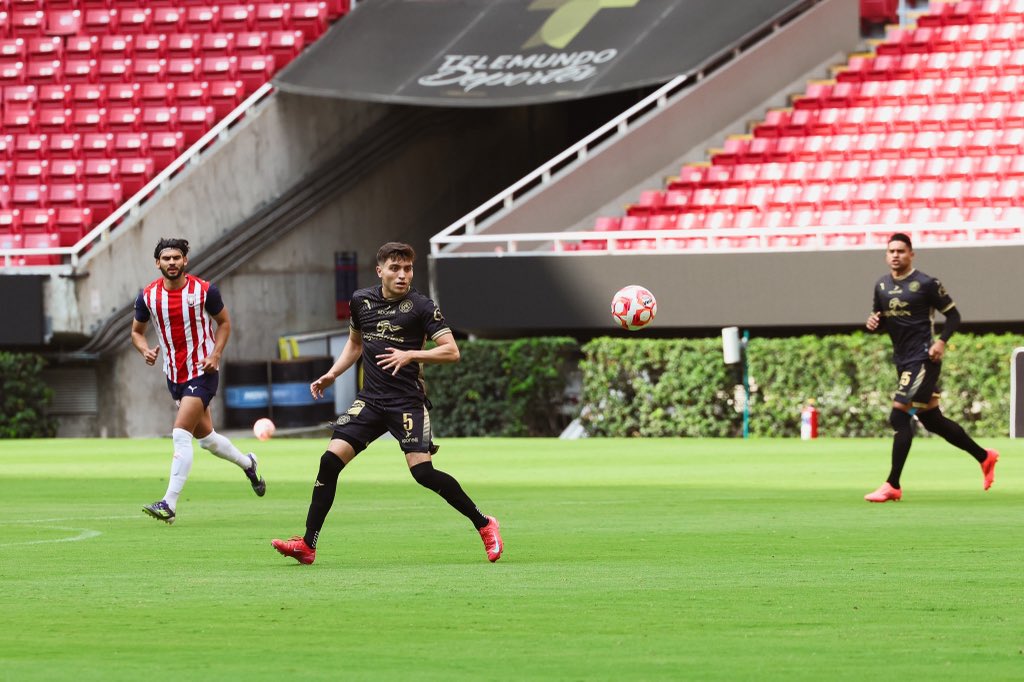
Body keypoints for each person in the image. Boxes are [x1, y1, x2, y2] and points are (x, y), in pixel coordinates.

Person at [271, 241, 502, 564]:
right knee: (329, 462)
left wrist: (412, 354)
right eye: (395, 268)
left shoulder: (421, 307)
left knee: (423, 474)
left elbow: (452, 351)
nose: (402, 275)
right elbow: (355, 343)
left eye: (407, 269)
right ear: (380, 271)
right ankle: (308, 545)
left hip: (406, 402)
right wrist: (332, 374)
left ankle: (484, 523)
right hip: (370, 401)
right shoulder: (361, 301)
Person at [131, 237, 266, 524]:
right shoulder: (148, 296)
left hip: (203, 371)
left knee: (180, 433)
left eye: (176, 258)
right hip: (174, 375)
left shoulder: (204, 291)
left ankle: (169, 503)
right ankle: (248, 464)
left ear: (185, 261)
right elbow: (137, 332)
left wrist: (215, 355)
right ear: (158, 263)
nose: (172, 263)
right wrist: (145, 349)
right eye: (166, 258)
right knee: (207, 440)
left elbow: (225, 323)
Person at [863, 232, 998, 502]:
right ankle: (985, 457)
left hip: (924, 359)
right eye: (891, 251)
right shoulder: (881, 286)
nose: (895, 255)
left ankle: (892, 485)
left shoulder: (926, 283)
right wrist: (873, 324)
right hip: (903, 361)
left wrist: (941, 342)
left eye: (901, 251)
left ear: (911, 254)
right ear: (886, 255)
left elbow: (954, 316)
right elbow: (882, 319)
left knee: (898, 415)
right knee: (931, 419)